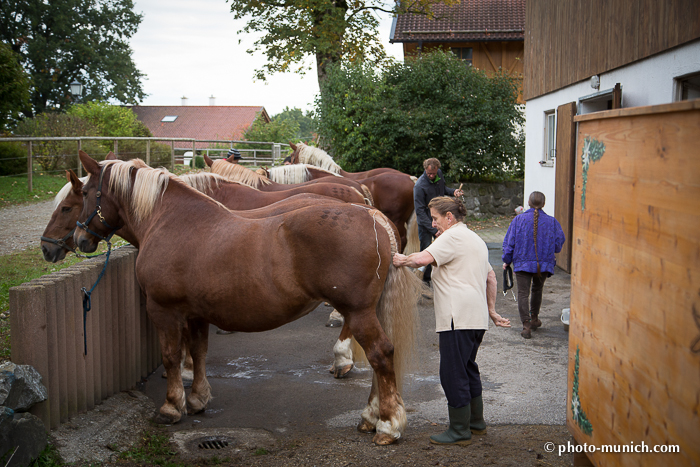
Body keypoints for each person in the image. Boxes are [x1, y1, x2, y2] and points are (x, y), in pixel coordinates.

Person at [393, 196, 510, 446]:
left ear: (449, 217)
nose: (433, 224)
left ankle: (459, 430)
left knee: (452, 372)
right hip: (475, 317)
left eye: (435, 218)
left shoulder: (452, 236)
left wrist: (400, 259)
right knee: (468, 369)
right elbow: (491, 277)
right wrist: (491, 310)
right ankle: (476, 423)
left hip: (457, 316)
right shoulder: (476, 239)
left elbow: (422, 259)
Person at [502, 191, 565, 339]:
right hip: (543, 265)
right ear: (543, 204)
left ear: (528, 203)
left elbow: (509, 243)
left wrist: (507, 260)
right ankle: (535, 318)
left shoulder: (518, 220)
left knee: (523, 293)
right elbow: (558, 245)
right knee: (537, 290)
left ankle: (526, 325)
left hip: (522, 263)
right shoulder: (552, 222)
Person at [413, 158, 463, 287]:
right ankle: (425, 280)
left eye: (434, 173)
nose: (431, 176)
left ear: (437, 170)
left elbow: (443, 189)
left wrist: (453, 192)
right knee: (426, 248)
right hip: (425, 223)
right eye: (429, 173)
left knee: (443, 246)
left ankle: (442, 275)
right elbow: (420, 213)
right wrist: (434, 230)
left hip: (440, 218)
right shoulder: (419, 186)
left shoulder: (439, 174)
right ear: (425, 169)